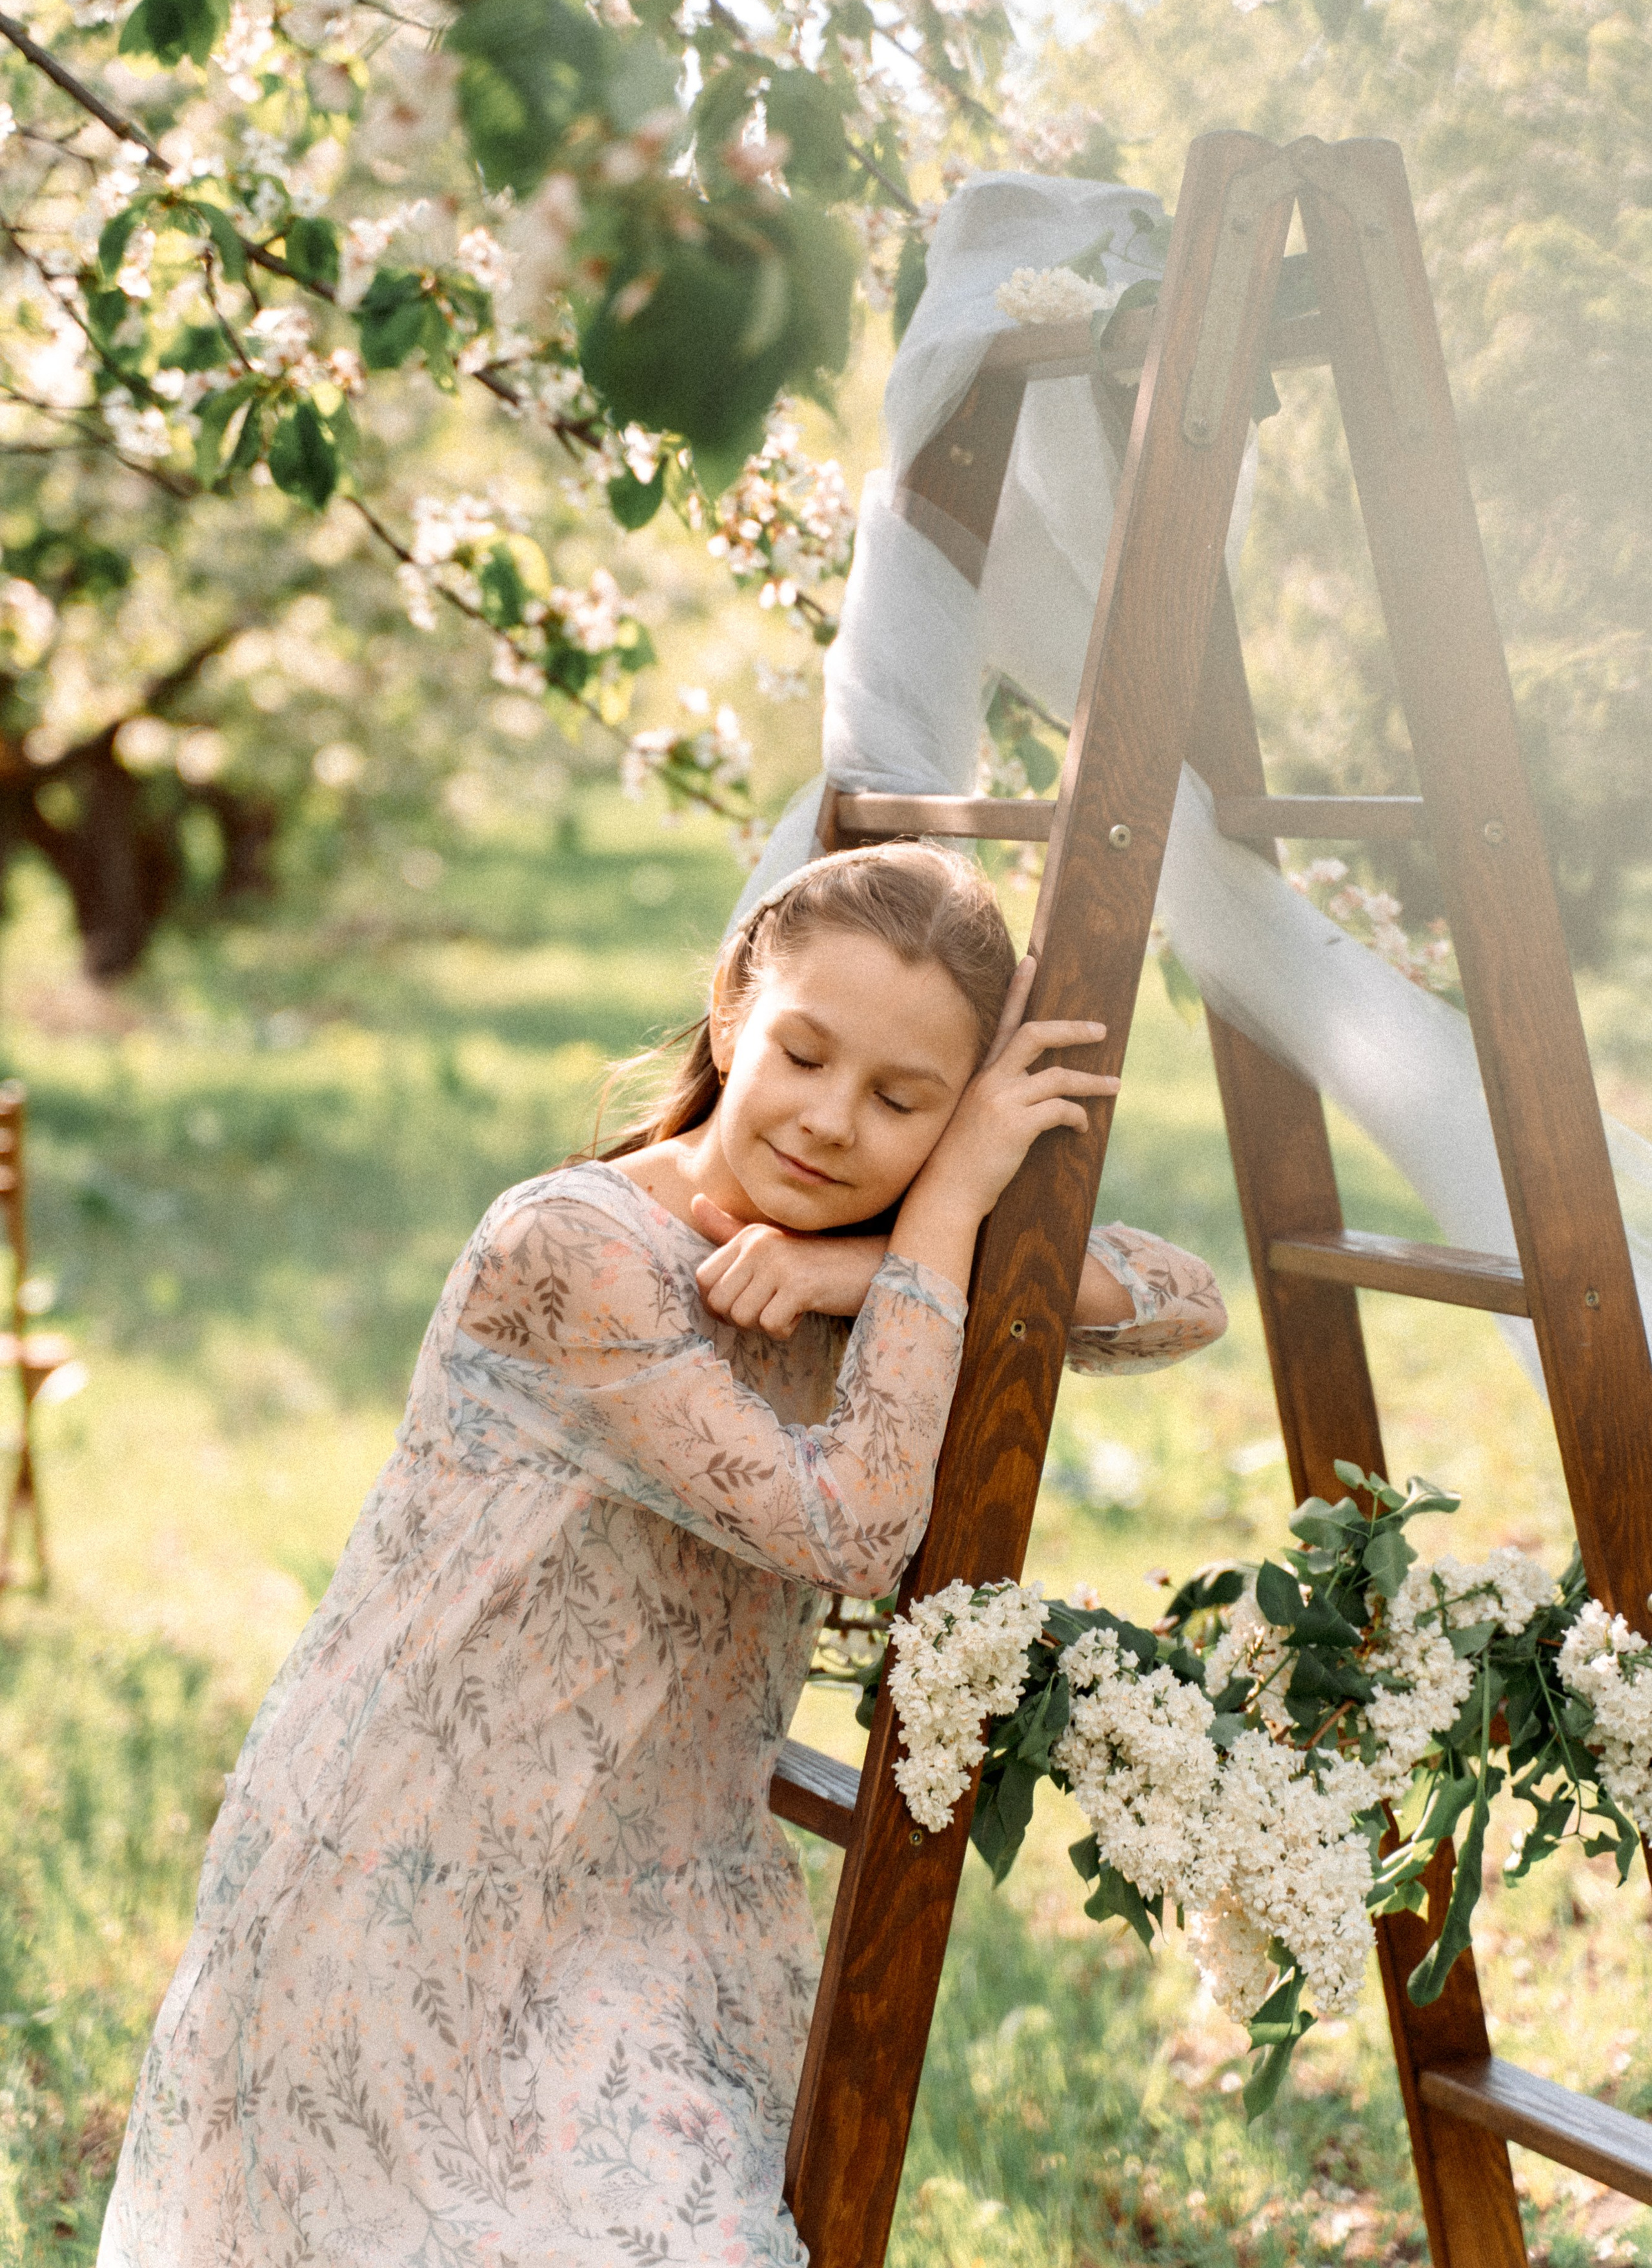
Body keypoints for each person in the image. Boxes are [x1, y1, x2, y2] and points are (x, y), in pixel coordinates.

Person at [99, 844, 1225, 2268]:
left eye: (901, 1102)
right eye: (802, 1055)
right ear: (728, 1013)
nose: (829, 1123)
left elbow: (1183, 1304)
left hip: (649, 1909)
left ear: (957, 1117)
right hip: (411, 1884)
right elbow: (853, 1530)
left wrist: (857, 1266)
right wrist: (937, 1227)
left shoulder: (848, 1271)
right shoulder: (576, 1247)